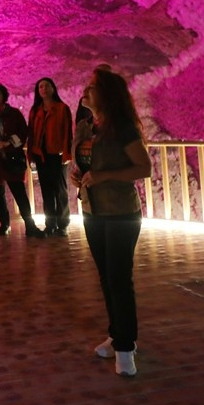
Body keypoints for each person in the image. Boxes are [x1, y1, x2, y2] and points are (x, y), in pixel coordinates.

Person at [70, 67, 152, 377]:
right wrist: (78, 175)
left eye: (92, 86)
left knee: (119, 279)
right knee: (106, 278)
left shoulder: (122, 128)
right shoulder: (89, 127)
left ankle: (126, 347)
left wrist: (104, 176)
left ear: (107, 93)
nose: (85, 91)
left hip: (120, 213)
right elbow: (85, 162)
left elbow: (143, 167)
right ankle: (117, 335)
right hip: (92, 211)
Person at [0, 83, 44, 238]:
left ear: (4, 96)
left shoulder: (14, 114)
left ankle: (30, 225)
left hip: (11, 158)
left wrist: (8, 142)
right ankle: (4, 224)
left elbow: (23, 131)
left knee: (19, 193)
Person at [27, 77, 74, 237]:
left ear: (53, 88)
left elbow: (68, 131)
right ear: (37, 91)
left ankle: (62, 224)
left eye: (47, 85)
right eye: (40, 86)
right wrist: (31, 154)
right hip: (41, 154)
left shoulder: (61, 108)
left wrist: (67, 152)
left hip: (57, 153)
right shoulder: (35, 111)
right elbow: (31, 134)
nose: (44, 89)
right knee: (46, 190)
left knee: (60, 189)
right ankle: (50, 223)